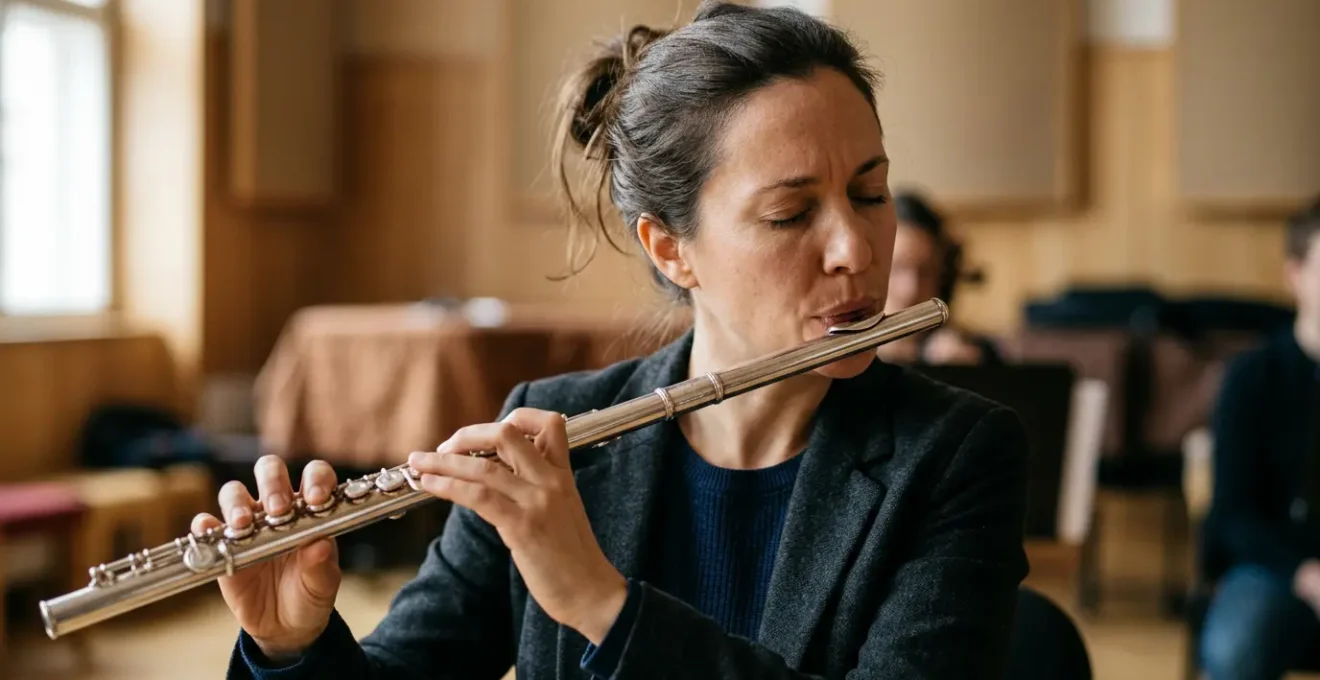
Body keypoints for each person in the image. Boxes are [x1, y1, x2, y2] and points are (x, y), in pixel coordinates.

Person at [207, 3, 1030, 678]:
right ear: (670, 247)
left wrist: (603, 605)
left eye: (871, 192)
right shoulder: (549, 433)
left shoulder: (954, 456)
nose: (856, 248)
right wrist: (292, 645)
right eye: (791, 213)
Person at [1199, 196, 1320, 680]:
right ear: (1295, 276)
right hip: (1272, 567)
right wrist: (1307, 574)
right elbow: (1232, 513)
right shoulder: (1253, 376)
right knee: (1238, 646)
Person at [877, 191, 1000, 365]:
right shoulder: (841, 364)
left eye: (926, 272)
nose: (910, 290)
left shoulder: (976, 354)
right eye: (896, 269)